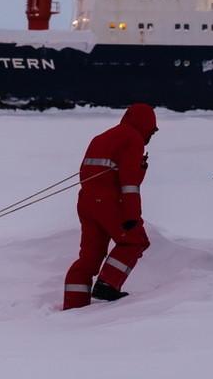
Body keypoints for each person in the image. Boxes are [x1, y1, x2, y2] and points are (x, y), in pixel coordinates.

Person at [63, 103, 158, 309]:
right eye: (152, 131)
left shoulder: (102, 137)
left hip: (86, 202)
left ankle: (74, 305)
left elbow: (90, 171)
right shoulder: (132, 139)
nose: (151, 137)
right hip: (110, 203)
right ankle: (107, 285)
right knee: (135, 241)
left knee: (89, 257)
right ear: (146, 125)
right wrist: (133, 216)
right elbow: (129, 183)